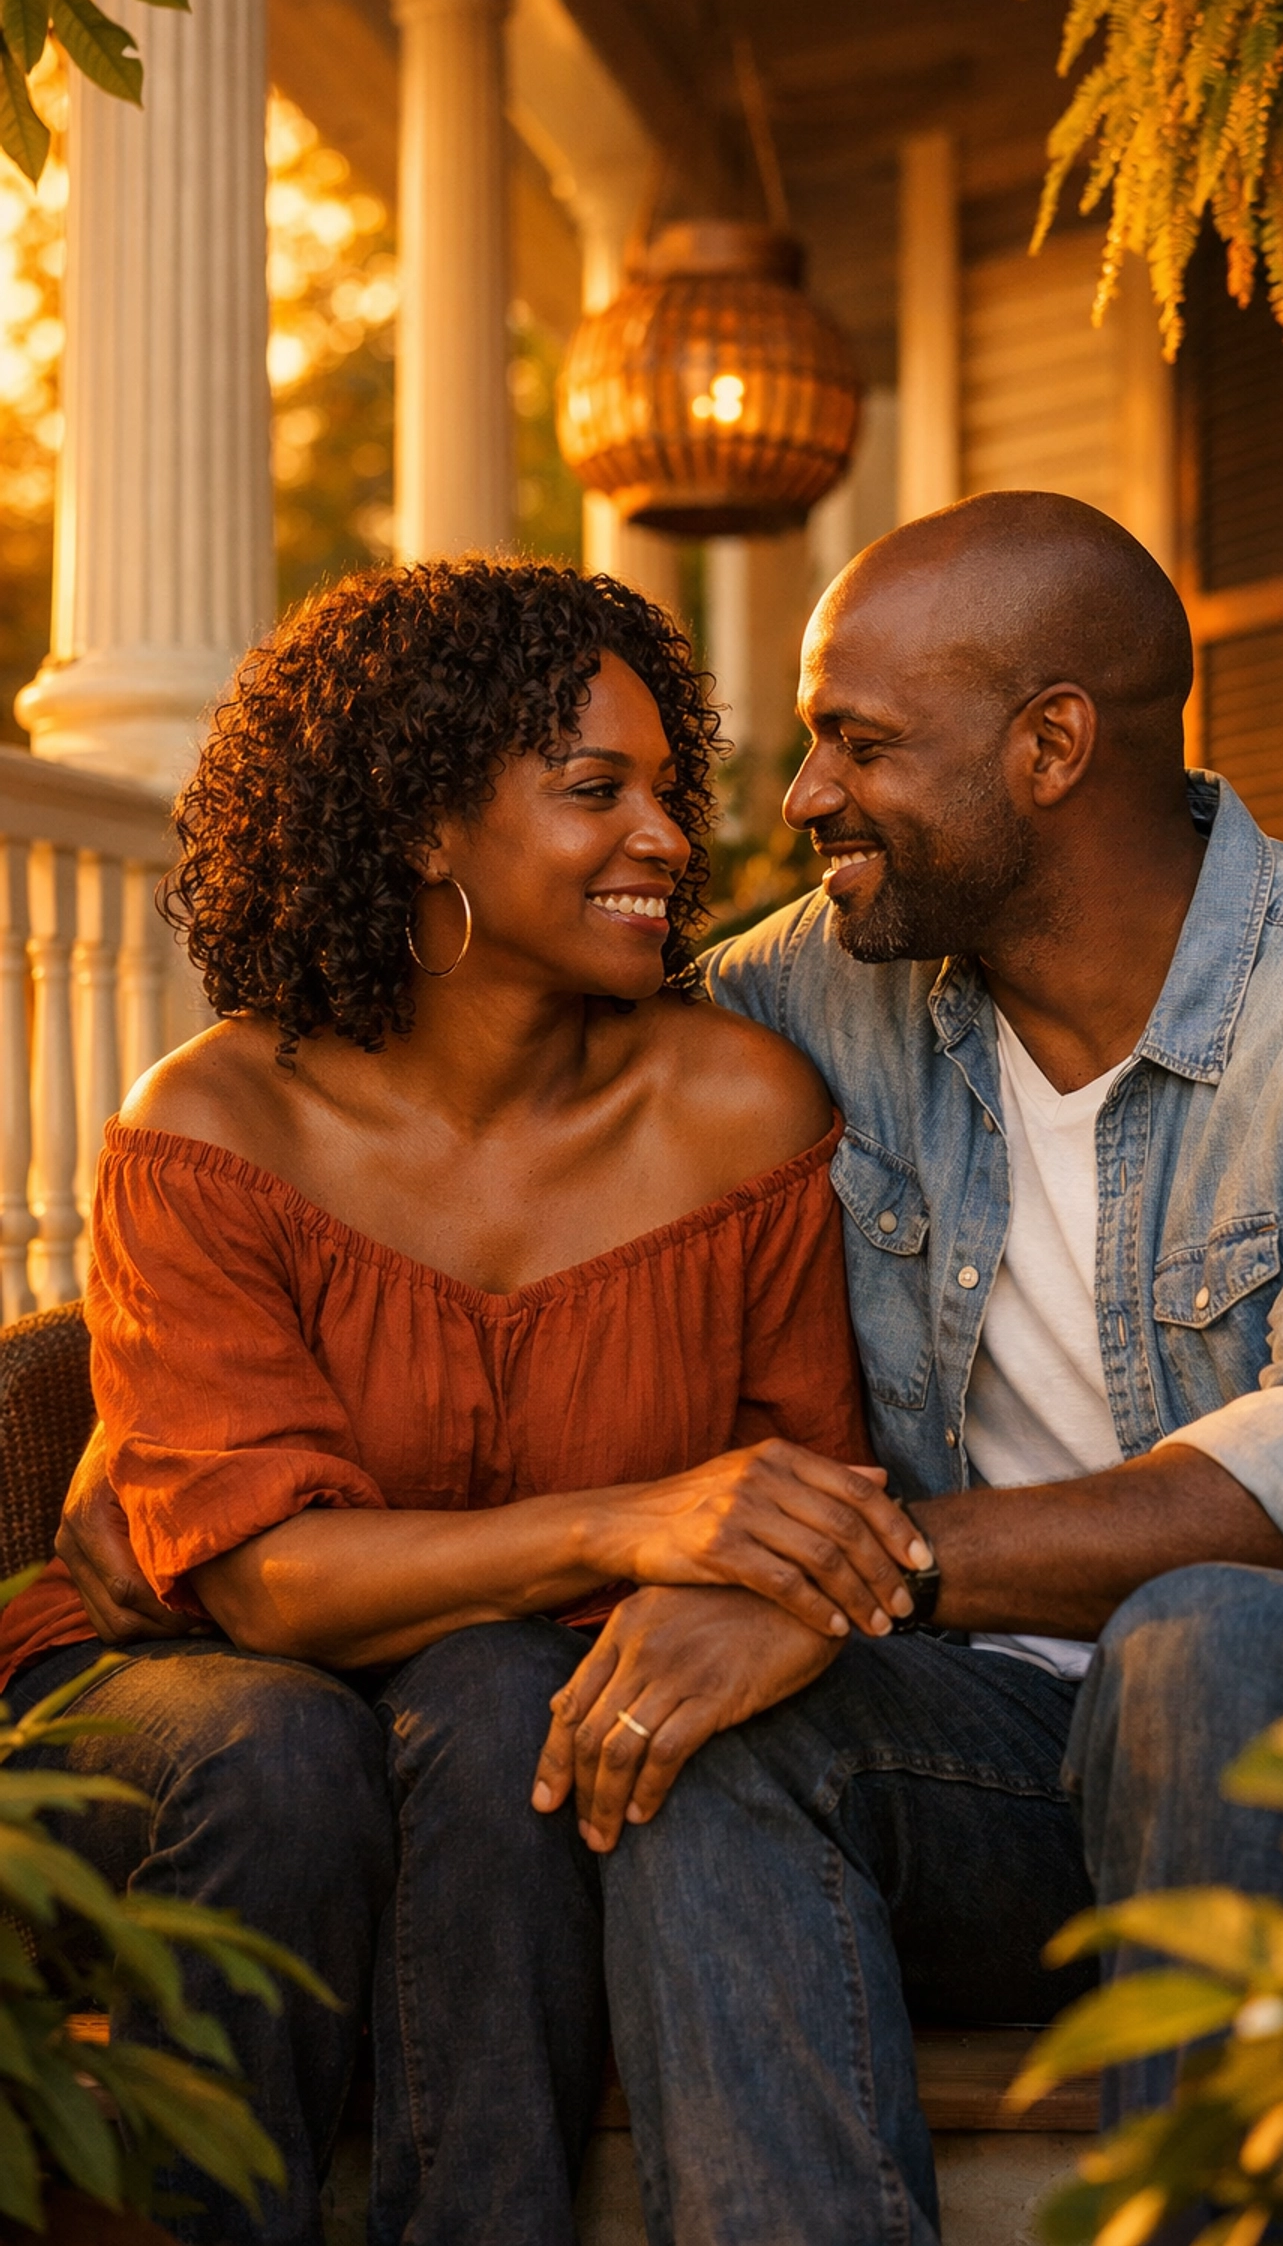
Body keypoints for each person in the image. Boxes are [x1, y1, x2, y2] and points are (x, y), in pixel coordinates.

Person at [65, 495, 1283, 2246]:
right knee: (695, 1713)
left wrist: (856, 1572)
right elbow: (515, 1065)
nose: (792, 801)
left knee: (1202, 1633)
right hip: (995, 1739)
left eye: (861, 744)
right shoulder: (823, 990)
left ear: (1052, 746)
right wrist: (150, 1429)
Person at [1, 556, 933, 2246]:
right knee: (282, 1750)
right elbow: (260, 1585)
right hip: (173, 1691)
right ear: (426, 826)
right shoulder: (217, 1125)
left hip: (507, 1706)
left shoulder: (741, 1109)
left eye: (669, 791)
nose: (667, 838)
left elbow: (801, 1513)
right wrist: (634, 1522)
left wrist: (710, 1557)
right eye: (596, 791)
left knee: (509, 1697)